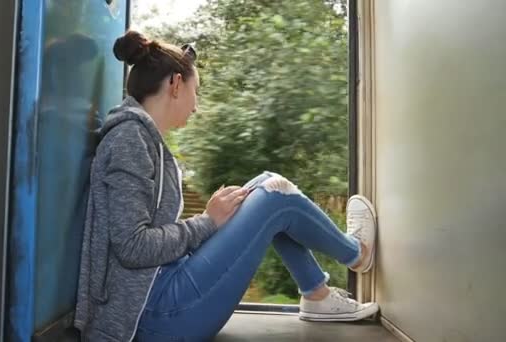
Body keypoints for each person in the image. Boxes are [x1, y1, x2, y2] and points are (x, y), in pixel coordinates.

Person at [75, 30, 379, 342]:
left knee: (263, 185)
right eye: (197, 92)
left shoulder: (140, 137)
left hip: (158, 299)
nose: (197, 107)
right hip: (154, 315)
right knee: (275, 196)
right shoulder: (129, 139)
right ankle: (357, 254)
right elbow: (133, 247)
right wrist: (206, 222)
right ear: (175, 84)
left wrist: (208, 223)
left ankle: (316, 293)